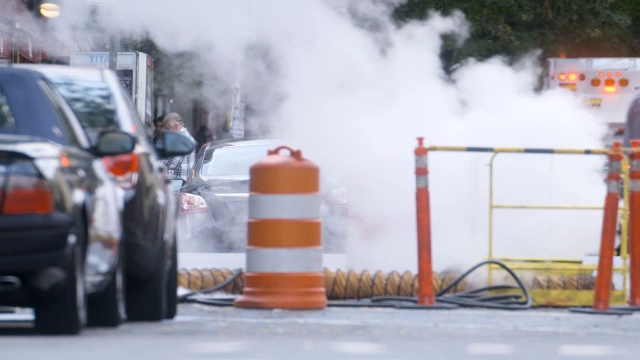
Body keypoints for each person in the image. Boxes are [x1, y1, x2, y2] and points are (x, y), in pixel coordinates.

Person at [160, 112, 196, 179]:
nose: (166, 132)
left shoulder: (179, 140)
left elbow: (171, 164)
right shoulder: (188, 137)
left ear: (176, 126)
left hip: (178, 183)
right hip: (185, 181)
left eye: (168, 128)